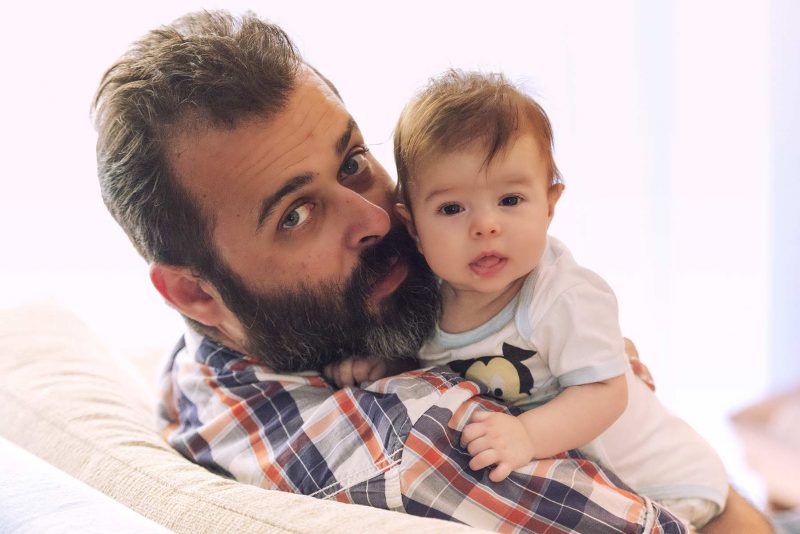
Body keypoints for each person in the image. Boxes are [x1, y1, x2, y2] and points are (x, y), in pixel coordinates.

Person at [92, 9, 770, 534]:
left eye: (353, 159)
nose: (376, 219)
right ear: (191, 290)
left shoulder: (200, 370)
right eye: (296, 214)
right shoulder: (427, 439)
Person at [365, 69, 727, 529]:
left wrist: (526, 434)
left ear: (550, 204)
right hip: (598, 483)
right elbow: (428, 364)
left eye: (511, 200)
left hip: (664, 480)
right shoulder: (425, 298)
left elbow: (605, 393)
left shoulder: (563, 297)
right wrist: (381, 365)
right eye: (452, 208)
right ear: (413, 225)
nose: (486, 225)